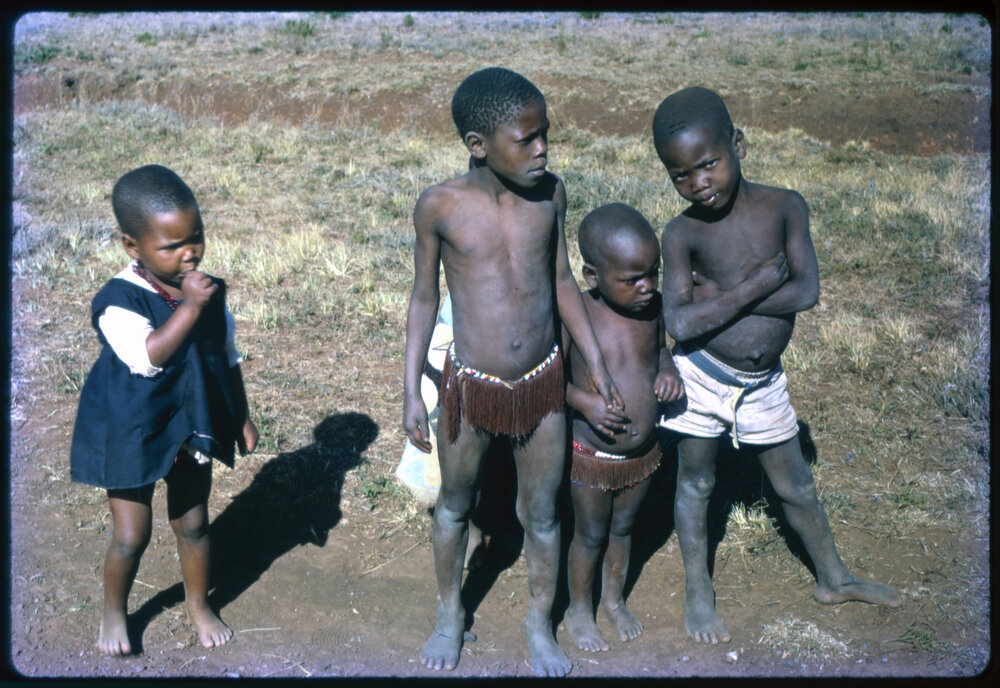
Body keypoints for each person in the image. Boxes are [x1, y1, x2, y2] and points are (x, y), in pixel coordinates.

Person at [652, 87, 901, 645]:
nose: (699, 183)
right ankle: (698, 588)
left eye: (709, 163)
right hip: (701, 375)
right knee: (695, 482)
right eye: (681, 176)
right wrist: (762, 284)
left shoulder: (785, 205)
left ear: (737, 144)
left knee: (797, 486)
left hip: (761, 383)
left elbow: (806, 289)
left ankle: (833, 577)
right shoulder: (682, 233)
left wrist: (721, 295)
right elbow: (683, 324)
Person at [402, 67, 623, 677]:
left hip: (542, 385)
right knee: (453, 503)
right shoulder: (440, 206)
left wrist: (598, 364)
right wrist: (411, 393)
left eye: (544, 133)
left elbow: (560, 283)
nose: (542, 148)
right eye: (526, 138)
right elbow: (423, 298)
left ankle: (537, 622)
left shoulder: (550, 195)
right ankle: (450, 615)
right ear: (478, 144)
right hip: (470, 387)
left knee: (544, 514)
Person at [70, 164, 259, 656]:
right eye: (171, 246)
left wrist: (239, 415)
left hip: (190, 422)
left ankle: (198, 603)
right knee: (133, 534)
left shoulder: (207, 291)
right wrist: (191, 308)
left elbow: (227, 353)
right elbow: (149, 357)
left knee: (193, 523)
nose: (189, 252)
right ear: (133, 246)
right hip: (132, 424)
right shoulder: (118, 301)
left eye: (195, 237)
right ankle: (116, 609)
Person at [562, 204, 685, 652]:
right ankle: (579, 609)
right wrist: (586, 404)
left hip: (643, 455)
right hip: (592, 455)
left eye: (653, 273)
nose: (647, 286)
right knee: (590, 533)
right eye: (632, 279)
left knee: (622, 530)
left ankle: (612, 600)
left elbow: (660, 351)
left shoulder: (650, 311)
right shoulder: (576, 316)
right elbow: (553, 382)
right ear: (592, 276)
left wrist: (668, 371)